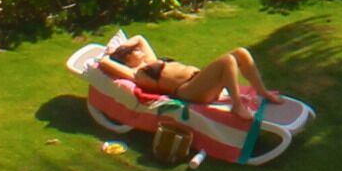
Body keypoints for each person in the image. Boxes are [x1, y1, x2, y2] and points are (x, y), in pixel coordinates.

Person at [102, 41, 263, 109]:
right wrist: (114, 54)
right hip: (189, 90)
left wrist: (122, 46)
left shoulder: (151, 61)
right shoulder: (136, 74)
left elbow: (139, 38)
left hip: (199, 81)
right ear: (127, 59)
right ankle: (237, 105)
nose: (139, 49)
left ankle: (262, 91)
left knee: (241, 53)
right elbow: (103, 63)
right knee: (227, 60)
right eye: (134, 51)